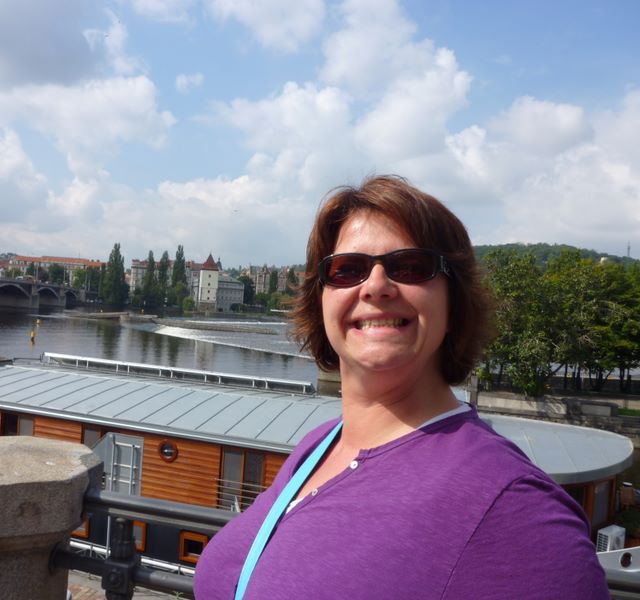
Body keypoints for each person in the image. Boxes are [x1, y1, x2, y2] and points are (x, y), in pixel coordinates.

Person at [193, 175, 608, 599]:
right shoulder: (319, 446)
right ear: (321, 300)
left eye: (410, 267)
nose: (375, 286)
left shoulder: (516, 510)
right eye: (347, 270)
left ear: (454, 301)